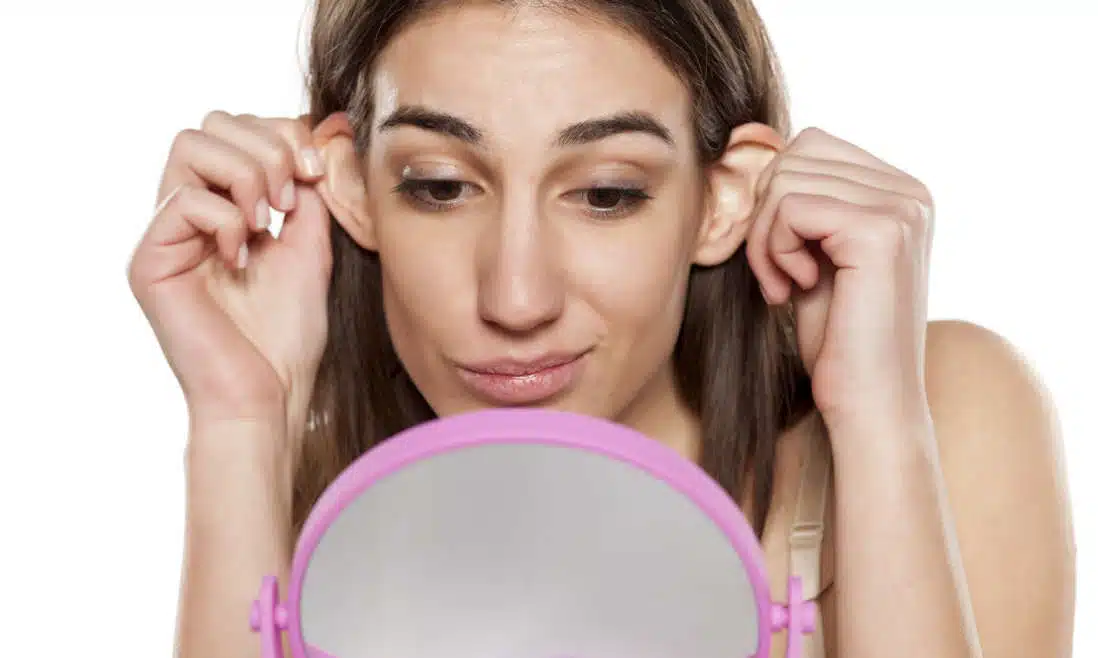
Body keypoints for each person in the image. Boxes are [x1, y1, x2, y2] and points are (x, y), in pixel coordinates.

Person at [128, 1, 1076, 657]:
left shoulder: (944, 413)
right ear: (352, 186)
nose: (516, 295)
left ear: (723, 200)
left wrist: (874, 420)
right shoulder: (316, 503)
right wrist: (238, 423)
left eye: (608, 194)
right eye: (441, 187)